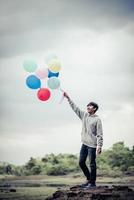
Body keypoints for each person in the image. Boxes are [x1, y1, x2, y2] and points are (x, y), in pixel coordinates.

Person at [63, 91, 103, 189]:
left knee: (92, 164)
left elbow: (100, 134)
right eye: (87, 106)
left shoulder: (97, 119)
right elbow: (75, 108)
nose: (88, 107)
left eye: (90, 106)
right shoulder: (84, 115)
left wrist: (99, 146)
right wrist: (68, 98)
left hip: (92, 145)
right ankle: (89, 179)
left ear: (94, 109)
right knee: (81, 162)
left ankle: (92, 184)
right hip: (84, 144)